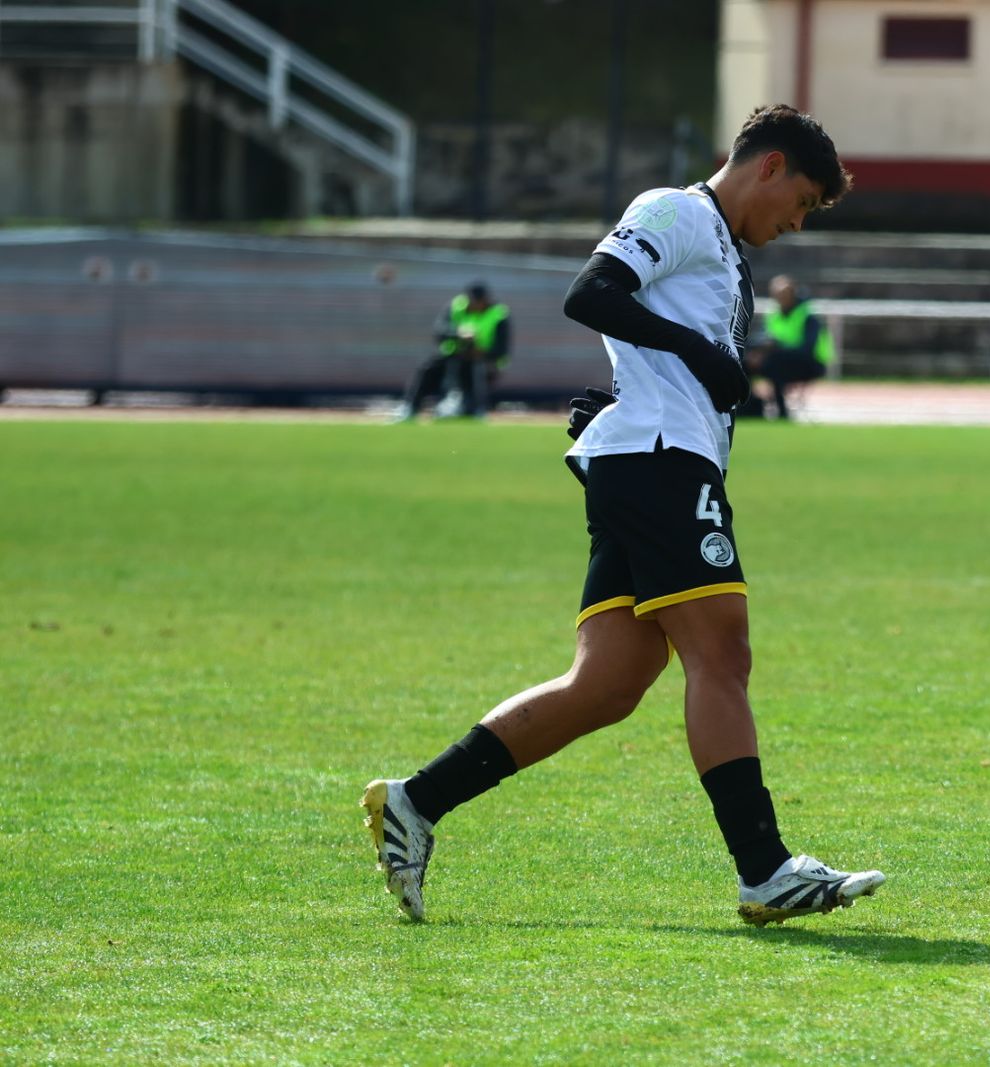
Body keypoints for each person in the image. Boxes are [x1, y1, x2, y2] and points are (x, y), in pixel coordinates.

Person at [361, 104, 885, 926]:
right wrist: (692, 356)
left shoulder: (722, 248)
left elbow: (652, 342)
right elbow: (593, 292)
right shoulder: (678, 211)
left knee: (607, 683)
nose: (797, 223)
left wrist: (628, 395)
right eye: (804, 202)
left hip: (652, 455)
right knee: (721, 649)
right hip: (660, 463)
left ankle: (416, 800)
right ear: (770, 167)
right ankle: (765, 868)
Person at [393, 281, 511, 421]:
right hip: (454, 355)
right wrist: (458, 334)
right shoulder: (456, 306)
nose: (476, 305)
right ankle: (410, 407)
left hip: (484, 361)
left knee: (475, 371)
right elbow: (439, 331)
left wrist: (480, 351)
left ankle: (476, 410)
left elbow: (502, 349)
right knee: (428, 369)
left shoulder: (498, 314)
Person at [750, 274, 833, 419]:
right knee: (747, 361)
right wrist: (758, 352)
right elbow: (763, 338)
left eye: (784, 294)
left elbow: (807, 348)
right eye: (777, 295)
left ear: (793, 293)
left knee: (775, 363)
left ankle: (782, 411)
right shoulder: (773, 315)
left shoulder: (807, 315)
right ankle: (749, 407)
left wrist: (776, 347)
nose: (781, 298)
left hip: (811, 363)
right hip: (779, 361)